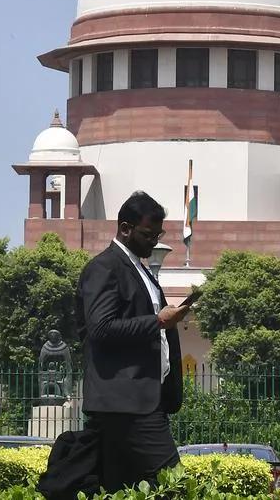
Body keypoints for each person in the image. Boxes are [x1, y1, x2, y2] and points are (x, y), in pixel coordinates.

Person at [75, 191, 191, 491]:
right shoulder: (104, 268)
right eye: (148, 235)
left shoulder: (141, 270)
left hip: (145, 400)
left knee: (122, 488)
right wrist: (158, 321)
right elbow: (101, 329)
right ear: (125, 228)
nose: (154, 242)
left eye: (158, 235)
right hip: (126, 403)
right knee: (174, 485)